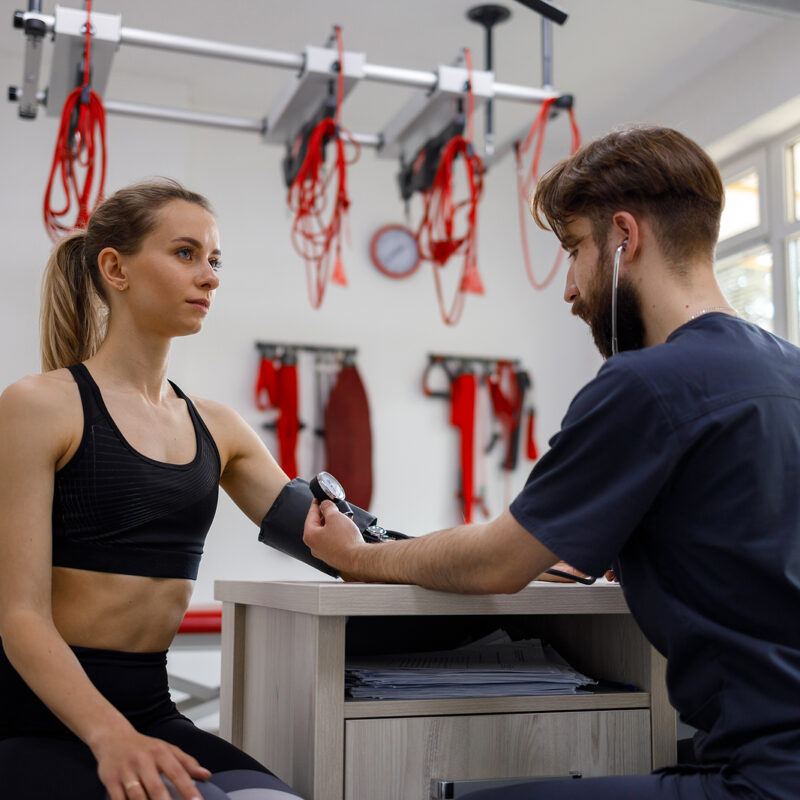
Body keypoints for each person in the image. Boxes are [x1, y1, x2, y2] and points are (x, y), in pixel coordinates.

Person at [303, 126, 800, 799]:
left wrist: (357, 557)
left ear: (625, 237)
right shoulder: (786, 371)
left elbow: (495, 562)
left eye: (574, 251)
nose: (569, 289)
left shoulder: (645, 384)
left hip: (763, 778)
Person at [0, 180, 302, 800]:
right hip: (36, 721)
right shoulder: (41, 406)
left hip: (152, 713)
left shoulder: (219, 425)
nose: (210, 277)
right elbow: (21, 617)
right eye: (187, 254)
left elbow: (338, 541)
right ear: (115, 268)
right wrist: (110, 736)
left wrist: (507, 559)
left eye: (215, 260)